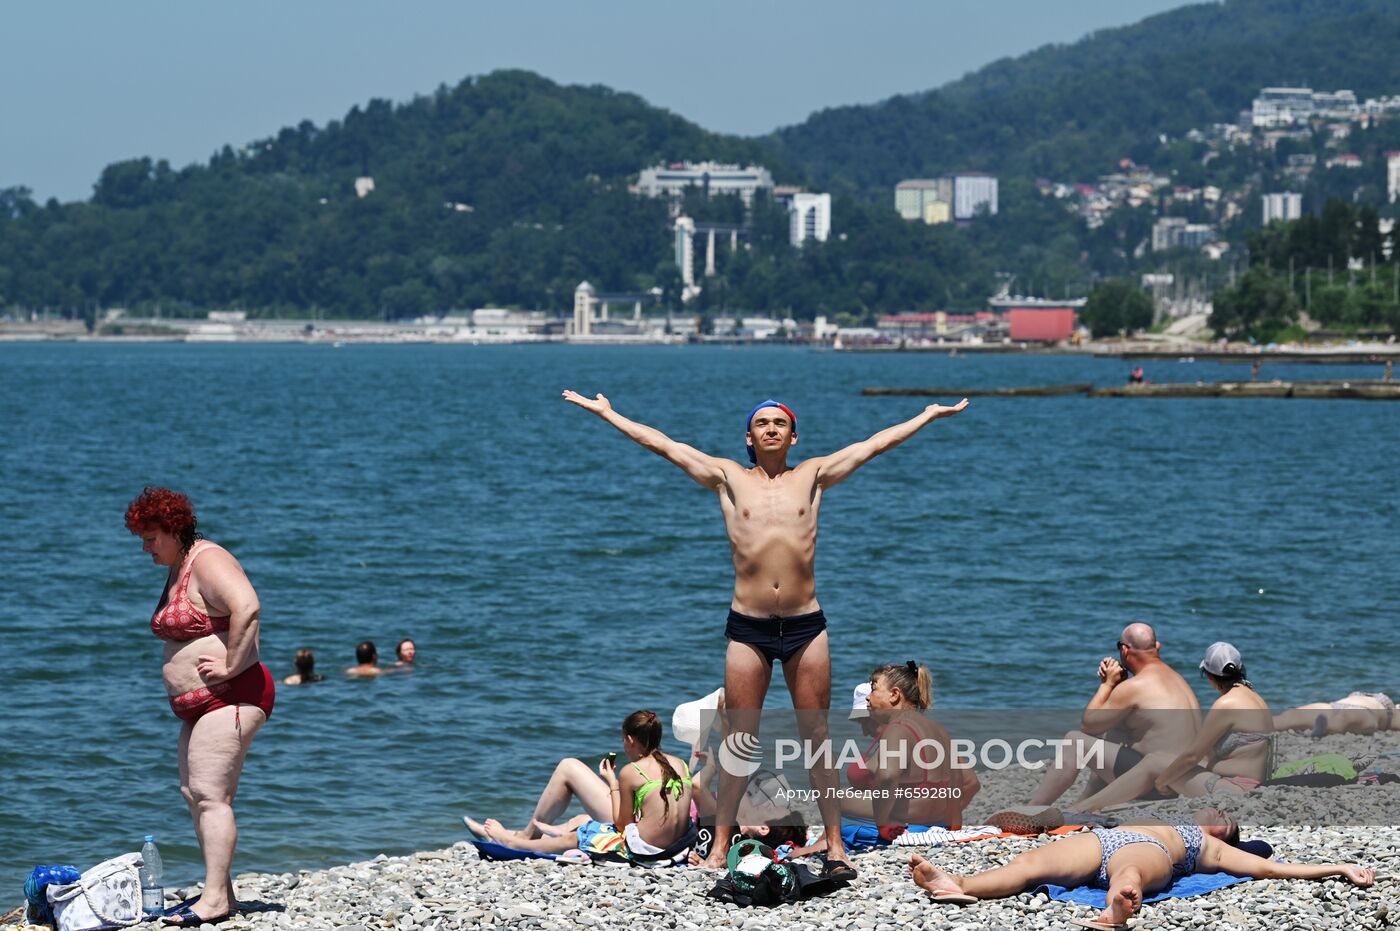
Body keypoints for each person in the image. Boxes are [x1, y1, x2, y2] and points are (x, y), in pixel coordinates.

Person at [562, 389, 969, 876]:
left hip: (805, 626)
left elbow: (874, 444)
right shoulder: (728, 477)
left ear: (793, 437)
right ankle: (720, 846)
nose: (771, 429)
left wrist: (925, 415)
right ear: (749, 437)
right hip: (748, 627)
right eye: (762, 424)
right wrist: (609, 414)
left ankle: (834, 842)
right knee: (738, 740)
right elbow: (665, 445)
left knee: (817, 737)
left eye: (780, 423)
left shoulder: (813, 475)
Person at [125, 487, 274, 927]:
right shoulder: (178, 567)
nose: (145, 548)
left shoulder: (208, 560)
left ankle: (213, 901)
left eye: (151, 538)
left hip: (234, 695)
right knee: (195, 795)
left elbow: (248, 606)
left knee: (211, 796)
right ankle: (220, 891)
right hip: (200, 704)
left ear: (174, 529)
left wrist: (230, 665)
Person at [908, 807, 1373, 929]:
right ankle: (960, 882)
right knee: (1031, 864)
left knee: (1130, 872)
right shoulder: (1166, 813)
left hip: (1151, 850)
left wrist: (1337, 866)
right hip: (1099, 840)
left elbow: (1270, 870)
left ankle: (1118, 908)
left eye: (1228, 822)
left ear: (1224, 835)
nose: (1221, 815)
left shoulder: (1205, 845)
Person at [464, 711, 695, 861]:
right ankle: (529, 836)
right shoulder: (680, 764)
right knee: (584, 823)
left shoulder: (632, 771)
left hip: (648, 849)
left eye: (623, 740)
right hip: (675, 846)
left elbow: (622, 826)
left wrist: (613, 782)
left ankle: (515, 842)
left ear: (631, 740)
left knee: (584, 835)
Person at [1074, 642, 1273, 811]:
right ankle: (1092, 803)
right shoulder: (1256, 699)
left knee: (1154, 762)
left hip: (1235, 790)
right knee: (1163, 761)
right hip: (1252, 786)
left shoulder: (1227, 704)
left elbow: (1193, 756)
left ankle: (1085, 808)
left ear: (1210, 676)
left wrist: (1163, 781)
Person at [1028, 623, 1201, 808]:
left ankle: (1032, 809)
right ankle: (1083, 805)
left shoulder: (1136, 686)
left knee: (1074, 742)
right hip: (1187, 782)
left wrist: (1107, 685)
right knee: (1116, 733)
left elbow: (1089, 726)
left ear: (1125, 650)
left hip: (1157, 784)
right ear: (1157, 647)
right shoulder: (1177, 679)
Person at [844, 662, 980, 835]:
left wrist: (883, 824)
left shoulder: (897, 728)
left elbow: (887, 776)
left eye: (874, 689)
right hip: (936, 824)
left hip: (903, 827)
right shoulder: (939, 730)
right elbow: (968, 782)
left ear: (894, 695)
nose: (868, 698)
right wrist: (952, 826)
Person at [1274, 691, 1396, 736]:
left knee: (1291, 717)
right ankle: (1325, 727)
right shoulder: (1393, 709)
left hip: (1360, 711)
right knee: (1291, 715)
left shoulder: (1394, 713)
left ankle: (1262, 724)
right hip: (1347, 707)